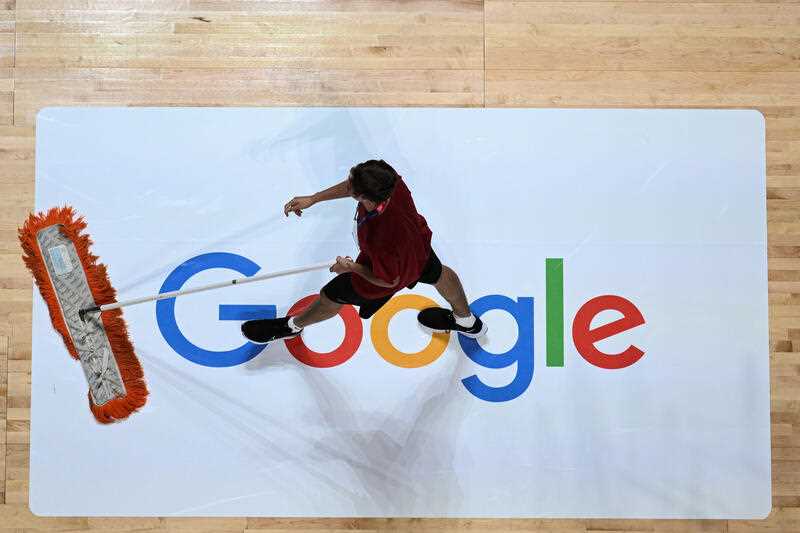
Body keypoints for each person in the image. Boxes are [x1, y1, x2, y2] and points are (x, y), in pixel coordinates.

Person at [241, 159, 487, 344]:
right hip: (418, 247)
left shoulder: (383, 236)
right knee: (439, 273)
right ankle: (467, 321)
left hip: (388, 271)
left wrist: (351, 267)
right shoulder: (389, 181)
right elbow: (354, 186)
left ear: (362, 196)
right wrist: (314, 198)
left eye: (352, 187)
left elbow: (387, 278)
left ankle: (292, 326)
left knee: (332, 294)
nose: (348, 186)